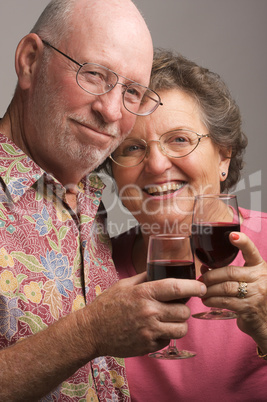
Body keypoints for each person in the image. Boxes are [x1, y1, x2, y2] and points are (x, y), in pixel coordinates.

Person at [0, 3, 207, 401]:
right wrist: (89, 333)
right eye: (94, 75)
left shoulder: (89, 199)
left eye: (131, 92)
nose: (111, 110)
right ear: (29, 62)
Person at [107, 49, 267, 401]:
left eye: (179, 139)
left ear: (223, 155)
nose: (156, 164)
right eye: (132, 147)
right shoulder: (95, 271)